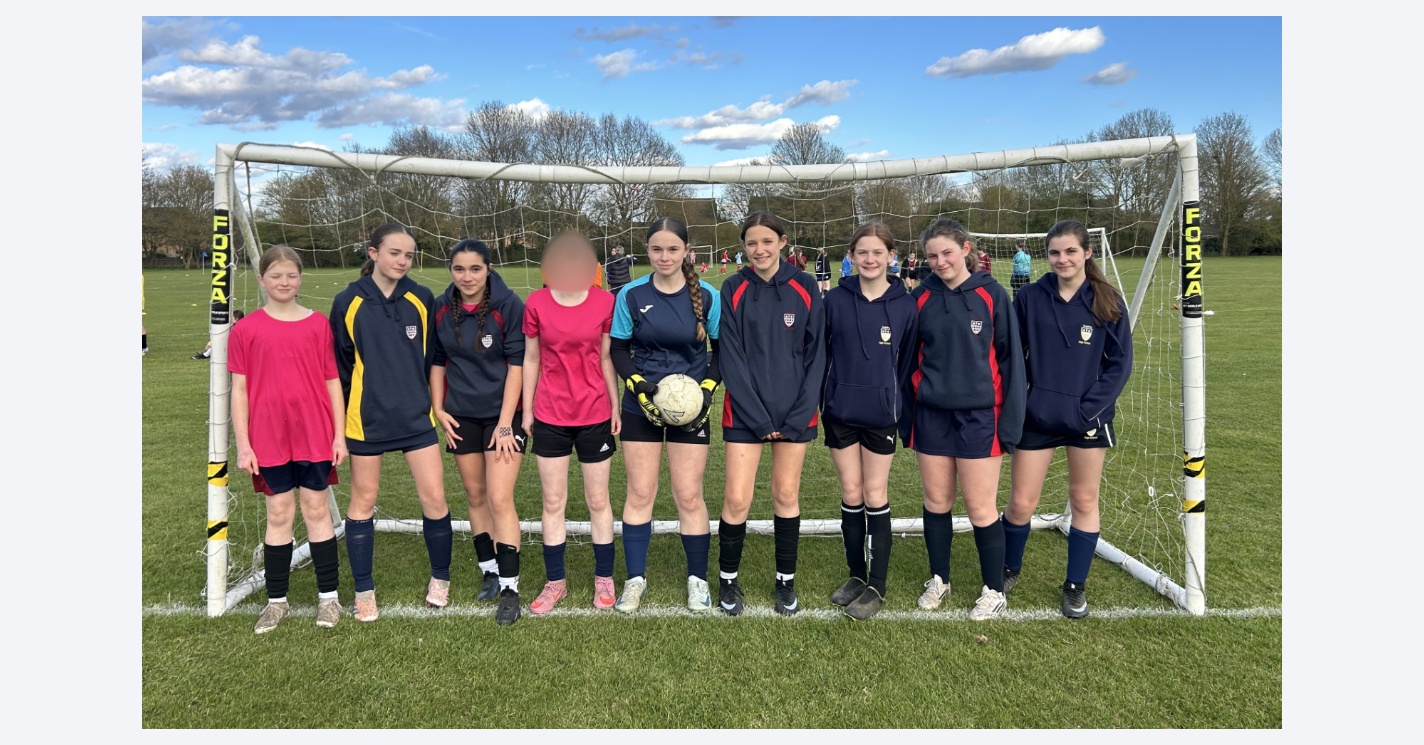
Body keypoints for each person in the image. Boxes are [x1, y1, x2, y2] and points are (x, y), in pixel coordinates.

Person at [1004, 220, 1132, 619]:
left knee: (1084, 499)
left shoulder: (1107, 299)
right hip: (1037, 416)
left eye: (1071, 251)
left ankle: (1075, 586)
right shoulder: (1029, 297)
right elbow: (1011, 354)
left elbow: (1120, 364)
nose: (1062, 259)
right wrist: (1025, 402)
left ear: (1087, 252)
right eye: (1055, 252)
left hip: (1087, 419)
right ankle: (1007, 569)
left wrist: (1086, 409)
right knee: (1021, 502)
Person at [902, 218, 1025, 621]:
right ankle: (939, 578)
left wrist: (1010, 423)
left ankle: (994, 590)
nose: (940, 262)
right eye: (932, 256)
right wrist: (909, 413)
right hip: (932, 416)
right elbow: (906, 362)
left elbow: (1011, 361)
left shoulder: (992, 294)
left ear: (966, 249)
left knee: (980, 507)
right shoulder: (920, 297)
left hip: (980, 418)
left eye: (947, 253)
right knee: (937, 502)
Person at [331, 223, 450, 622]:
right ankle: (363, 590)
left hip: (416, 417)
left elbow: (433, 359)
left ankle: (441, 578)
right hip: (366, 419)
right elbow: (340, 367)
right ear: (373, 253)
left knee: (434, 498)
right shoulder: (347, 301)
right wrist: (339, 424)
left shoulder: (421, 298)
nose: (402, 261)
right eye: (394, 253)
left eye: (409, 255)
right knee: (363, 501)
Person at [230, 246, 348, 633]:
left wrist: (339, 435)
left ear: (300, 279)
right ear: (261, 280)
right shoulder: (246, 330)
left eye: (291, 275)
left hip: (314, 434)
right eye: (276, 275)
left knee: (317, 511)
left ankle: (328, 598)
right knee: (279, 514)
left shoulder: (318, 324)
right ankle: (276, 602)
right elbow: (239, 391)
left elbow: (332, 381)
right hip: (269, 438)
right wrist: (244, 444)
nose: (284, 282)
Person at [609, 217, 722, 614]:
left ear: (686, 251)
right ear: (647, 251)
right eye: (656, 248)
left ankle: (697, 580)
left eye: (673, 249)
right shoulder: (631, 294)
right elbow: (618, 349)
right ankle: (634, 579)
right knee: (641, 493)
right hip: (641, 406)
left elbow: (721, 351)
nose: (664, 256)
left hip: (691, 410)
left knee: (688, 494)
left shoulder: (708, 296)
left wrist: (706, 391)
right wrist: (638, 385)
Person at [717, 211, 827, 616]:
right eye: (751, 243)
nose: (759, 249)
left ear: (782, 242)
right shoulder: (733, 287)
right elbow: (730, 357)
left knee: (785, 494)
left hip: (795, 413)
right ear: (743, 247)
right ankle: (728, 580)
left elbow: (817, 355)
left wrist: (799, 415)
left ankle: (785, 582)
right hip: (746, 414)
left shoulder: (805, 286)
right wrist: (759, 418)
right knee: (737, 498)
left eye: (767, 241)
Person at [430, 239, 528, 626]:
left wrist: (505, 423)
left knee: (500, 497)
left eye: (475, 269)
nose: (467, 277)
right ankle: (489, 569)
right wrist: (439, 408)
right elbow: (438, 361)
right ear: (451, 271)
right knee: (475, 494)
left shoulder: (509, 305)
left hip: (503, 416)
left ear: (488, 268)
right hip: (461, 415)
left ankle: (510, 588)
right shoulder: (442, 307)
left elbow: (517, 366)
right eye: (459, 269)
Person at [822, 223, 918, 621]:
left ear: (892, 256)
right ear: (851, 256)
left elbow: (906, 362)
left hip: (880, 414)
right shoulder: (834, 300)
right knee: (851, 491)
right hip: (840, 411)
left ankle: (877, 585)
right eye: (862, 252)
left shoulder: (906, 305)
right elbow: (823, 353)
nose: (870, 259)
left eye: (878, 252)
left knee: (875, 492)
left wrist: (889, 399)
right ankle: (856, 575)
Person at [522, 232, 622, 615]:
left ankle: (604, 578)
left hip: (595, 413)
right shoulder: (536, 302)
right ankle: (556, 583)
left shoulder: (605, 301)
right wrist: (527, 410)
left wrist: (615, 406)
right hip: (550, 414)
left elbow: (606, 357)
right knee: (553, 501)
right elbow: (531, 358)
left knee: (598, 500)